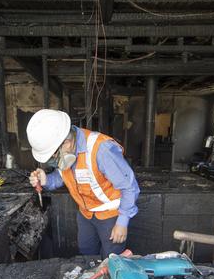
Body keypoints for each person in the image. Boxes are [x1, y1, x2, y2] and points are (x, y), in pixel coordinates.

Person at [26, 109, 140, 258]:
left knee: (112, 260)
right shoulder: (66, 152)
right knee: (86, 254)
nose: (53, 160)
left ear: (67, 141)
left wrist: (122, 222)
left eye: (53, 155)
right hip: (86, 214)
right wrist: (46, 180)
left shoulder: (101, 149)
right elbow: (62, 176)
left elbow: (129, 186)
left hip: (111, 216)